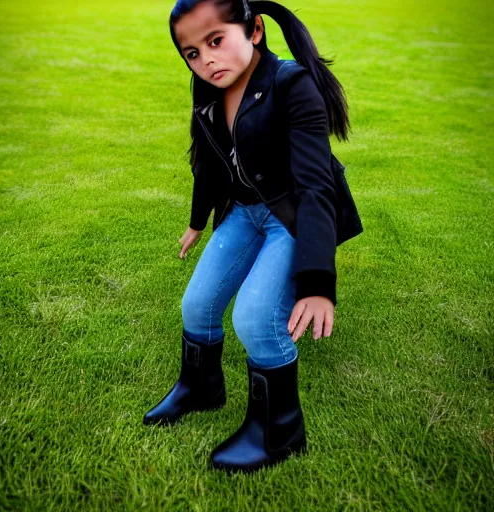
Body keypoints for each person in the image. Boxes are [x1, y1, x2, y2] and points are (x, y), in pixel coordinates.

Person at [143, 0, 362, 473]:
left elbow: (315, 189)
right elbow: (208, 158)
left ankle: (279, 432)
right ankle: (201, 389)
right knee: (197, 305)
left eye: (215, 41)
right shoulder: (206, 86)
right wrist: (198, 220)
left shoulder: (292, 85)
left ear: (255, 30)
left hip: (293, 215)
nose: (206, 60)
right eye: (192, 53)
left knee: (258, 319)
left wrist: (319, 285)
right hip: (245, 210)